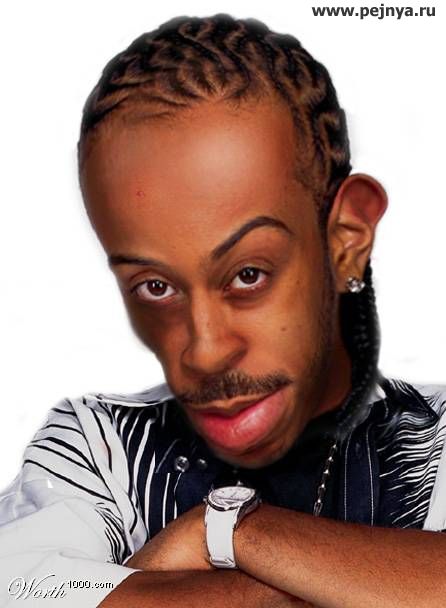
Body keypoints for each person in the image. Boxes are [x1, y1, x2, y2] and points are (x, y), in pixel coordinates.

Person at [1, 12, 446, 608]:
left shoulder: (437, 440)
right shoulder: (98, 448)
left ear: (347, 238)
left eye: (247, 275)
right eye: (154, 286)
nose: (205, 351)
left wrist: (229, 530)